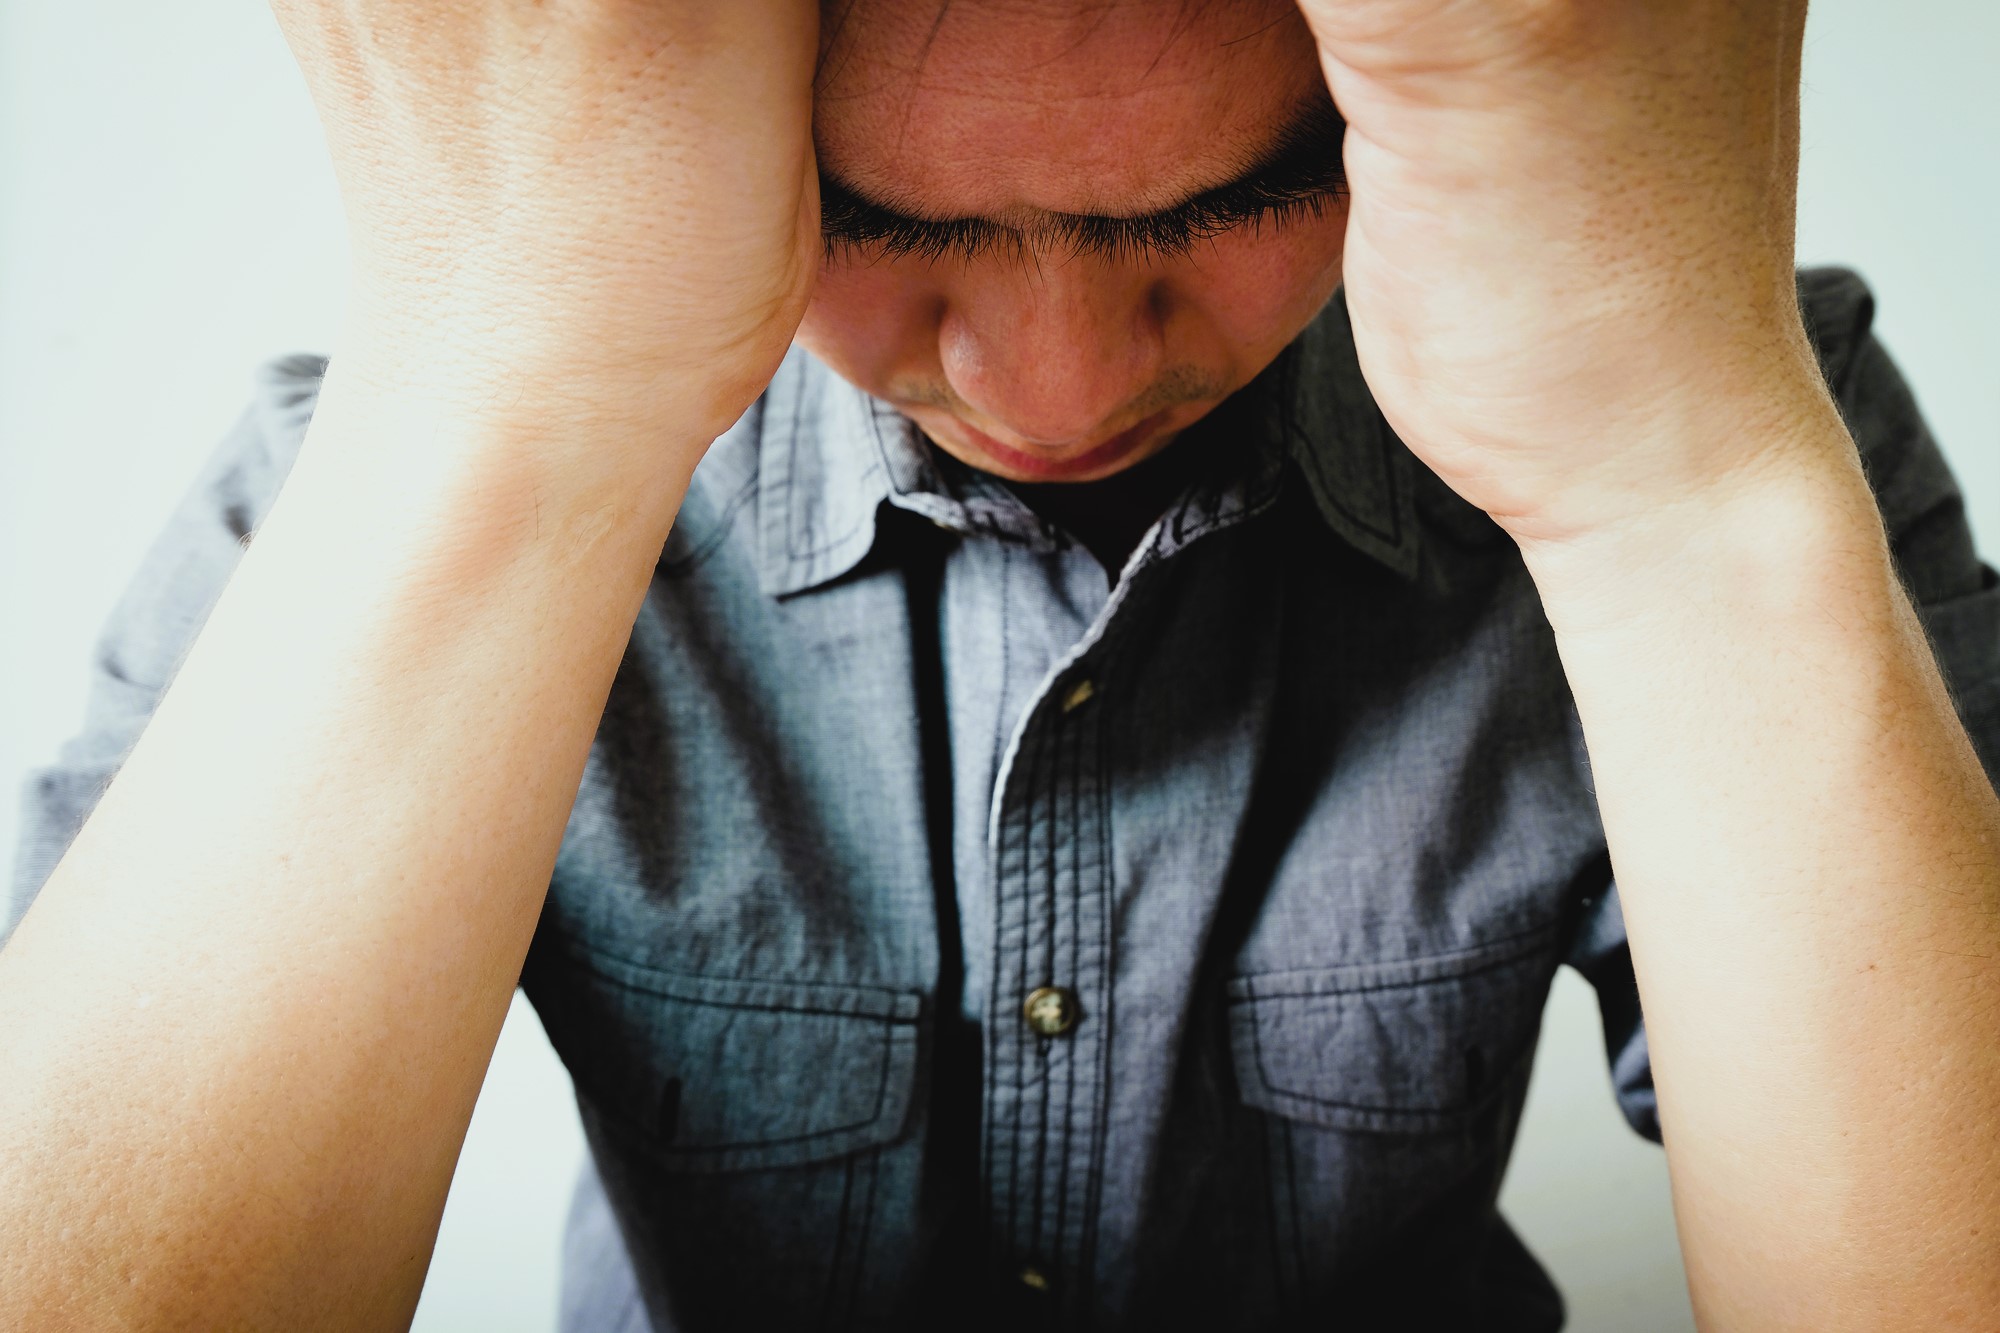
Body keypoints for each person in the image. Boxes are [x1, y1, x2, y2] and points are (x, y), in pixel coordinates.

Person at [3, 0, 1997, 1328]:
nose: (1052, 387)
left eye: (1241, 204)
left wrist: (1674, 485)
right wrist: (502, 403)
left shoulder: (1734, 427)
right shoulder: (376, 487)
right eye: (887, 228)